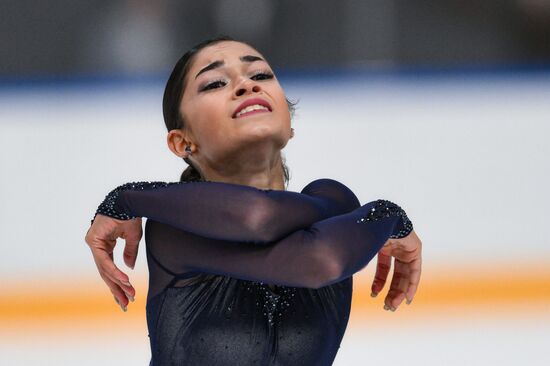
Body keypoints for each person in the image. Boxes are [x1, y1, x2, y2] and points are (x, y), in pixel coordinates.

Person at [85, 36, 422, 365]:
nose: (247, 85)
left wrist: (129, 199)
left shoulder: (332, 196)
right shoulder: (174, 230)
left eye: (260, 75)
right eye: (215, 83)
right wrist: (384, 215)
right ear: (181, 142)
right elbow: (260, 220)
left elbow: (322, 256)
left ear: (290, 126)